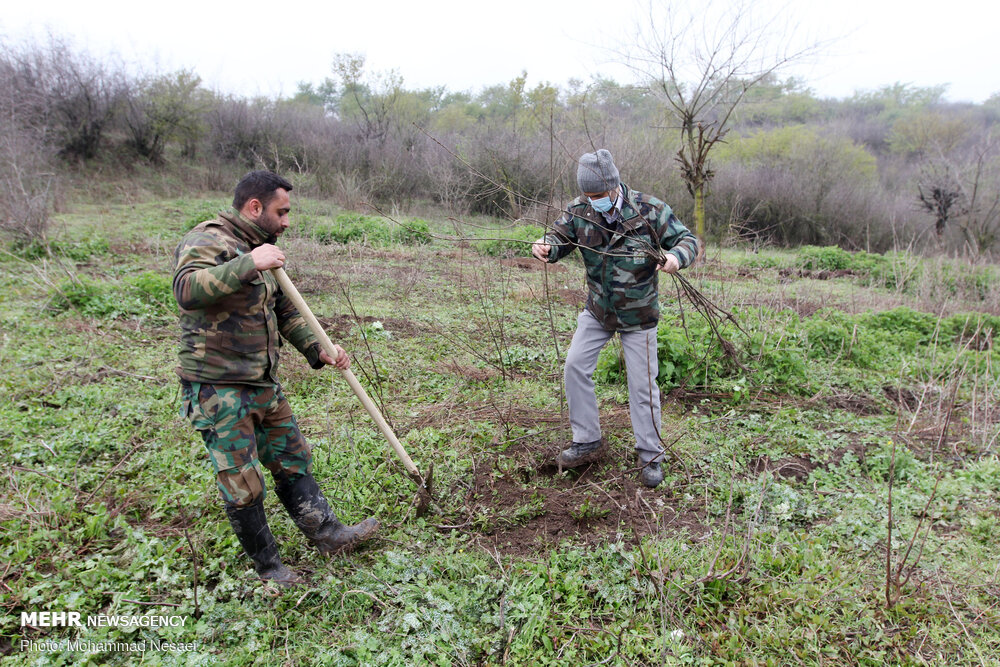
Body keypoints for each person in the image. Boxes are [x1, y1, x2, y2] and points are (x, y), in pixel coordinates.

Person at [173, 170, 378, 585]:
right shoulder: (209, 239)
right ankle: (271, 570)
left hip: (262, 381)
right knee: (243, 483)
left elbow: (283, 311)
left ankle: (329, 535)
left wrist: (317, 349)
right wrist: (249, 263)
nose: (287, 221)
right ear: (254, 207)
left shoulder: (260, 248)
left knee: (292, 458)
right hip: (219, 388)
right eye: (281, 212)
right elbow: (186, 290)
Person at [532, 149, 700, 488]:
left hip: (639, 315)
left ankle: (651, 455)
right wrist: (546, 246)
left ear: (614, 186)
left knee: (642, 385)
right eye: (588, 196)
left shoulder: (649, 210)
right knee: (575, 365)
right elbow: (559, 238)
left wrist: (675, 257)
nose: (593, 202)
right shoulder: (580, 210)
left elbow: (688, 240)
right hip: (598, 309)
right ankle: (587, 440)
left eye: (598, 195)